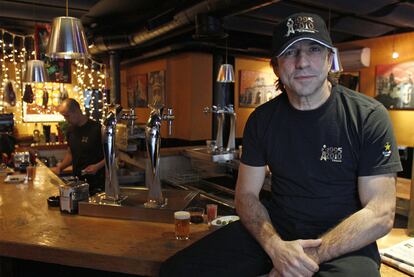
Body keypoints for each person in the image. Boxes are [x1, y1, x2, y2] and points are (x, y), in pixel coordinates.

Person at [160, 12, 402, 277]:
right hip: (276, 231)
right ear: (276, 66)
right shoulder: (262, 120)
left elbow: (380, 212)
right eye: (290, 52)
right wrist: (276, 248)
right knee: (177, 271)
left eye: (313, 49)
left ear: (329, 58)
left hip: (347, 241)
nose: (302, 62)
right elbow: (246, 196)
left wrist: (303, 259)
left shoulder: (367, 116)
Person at [51, 98, 105, 195]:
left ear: (77, 111)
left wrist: (97, 167)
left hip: (97, 184)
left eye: (67, 116)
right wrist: (60, 168)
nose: (66, 120)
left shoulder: (97, 129)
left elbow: (114, 154)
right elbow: (70, 154)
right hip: (78, 183)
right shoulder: (70, 131)